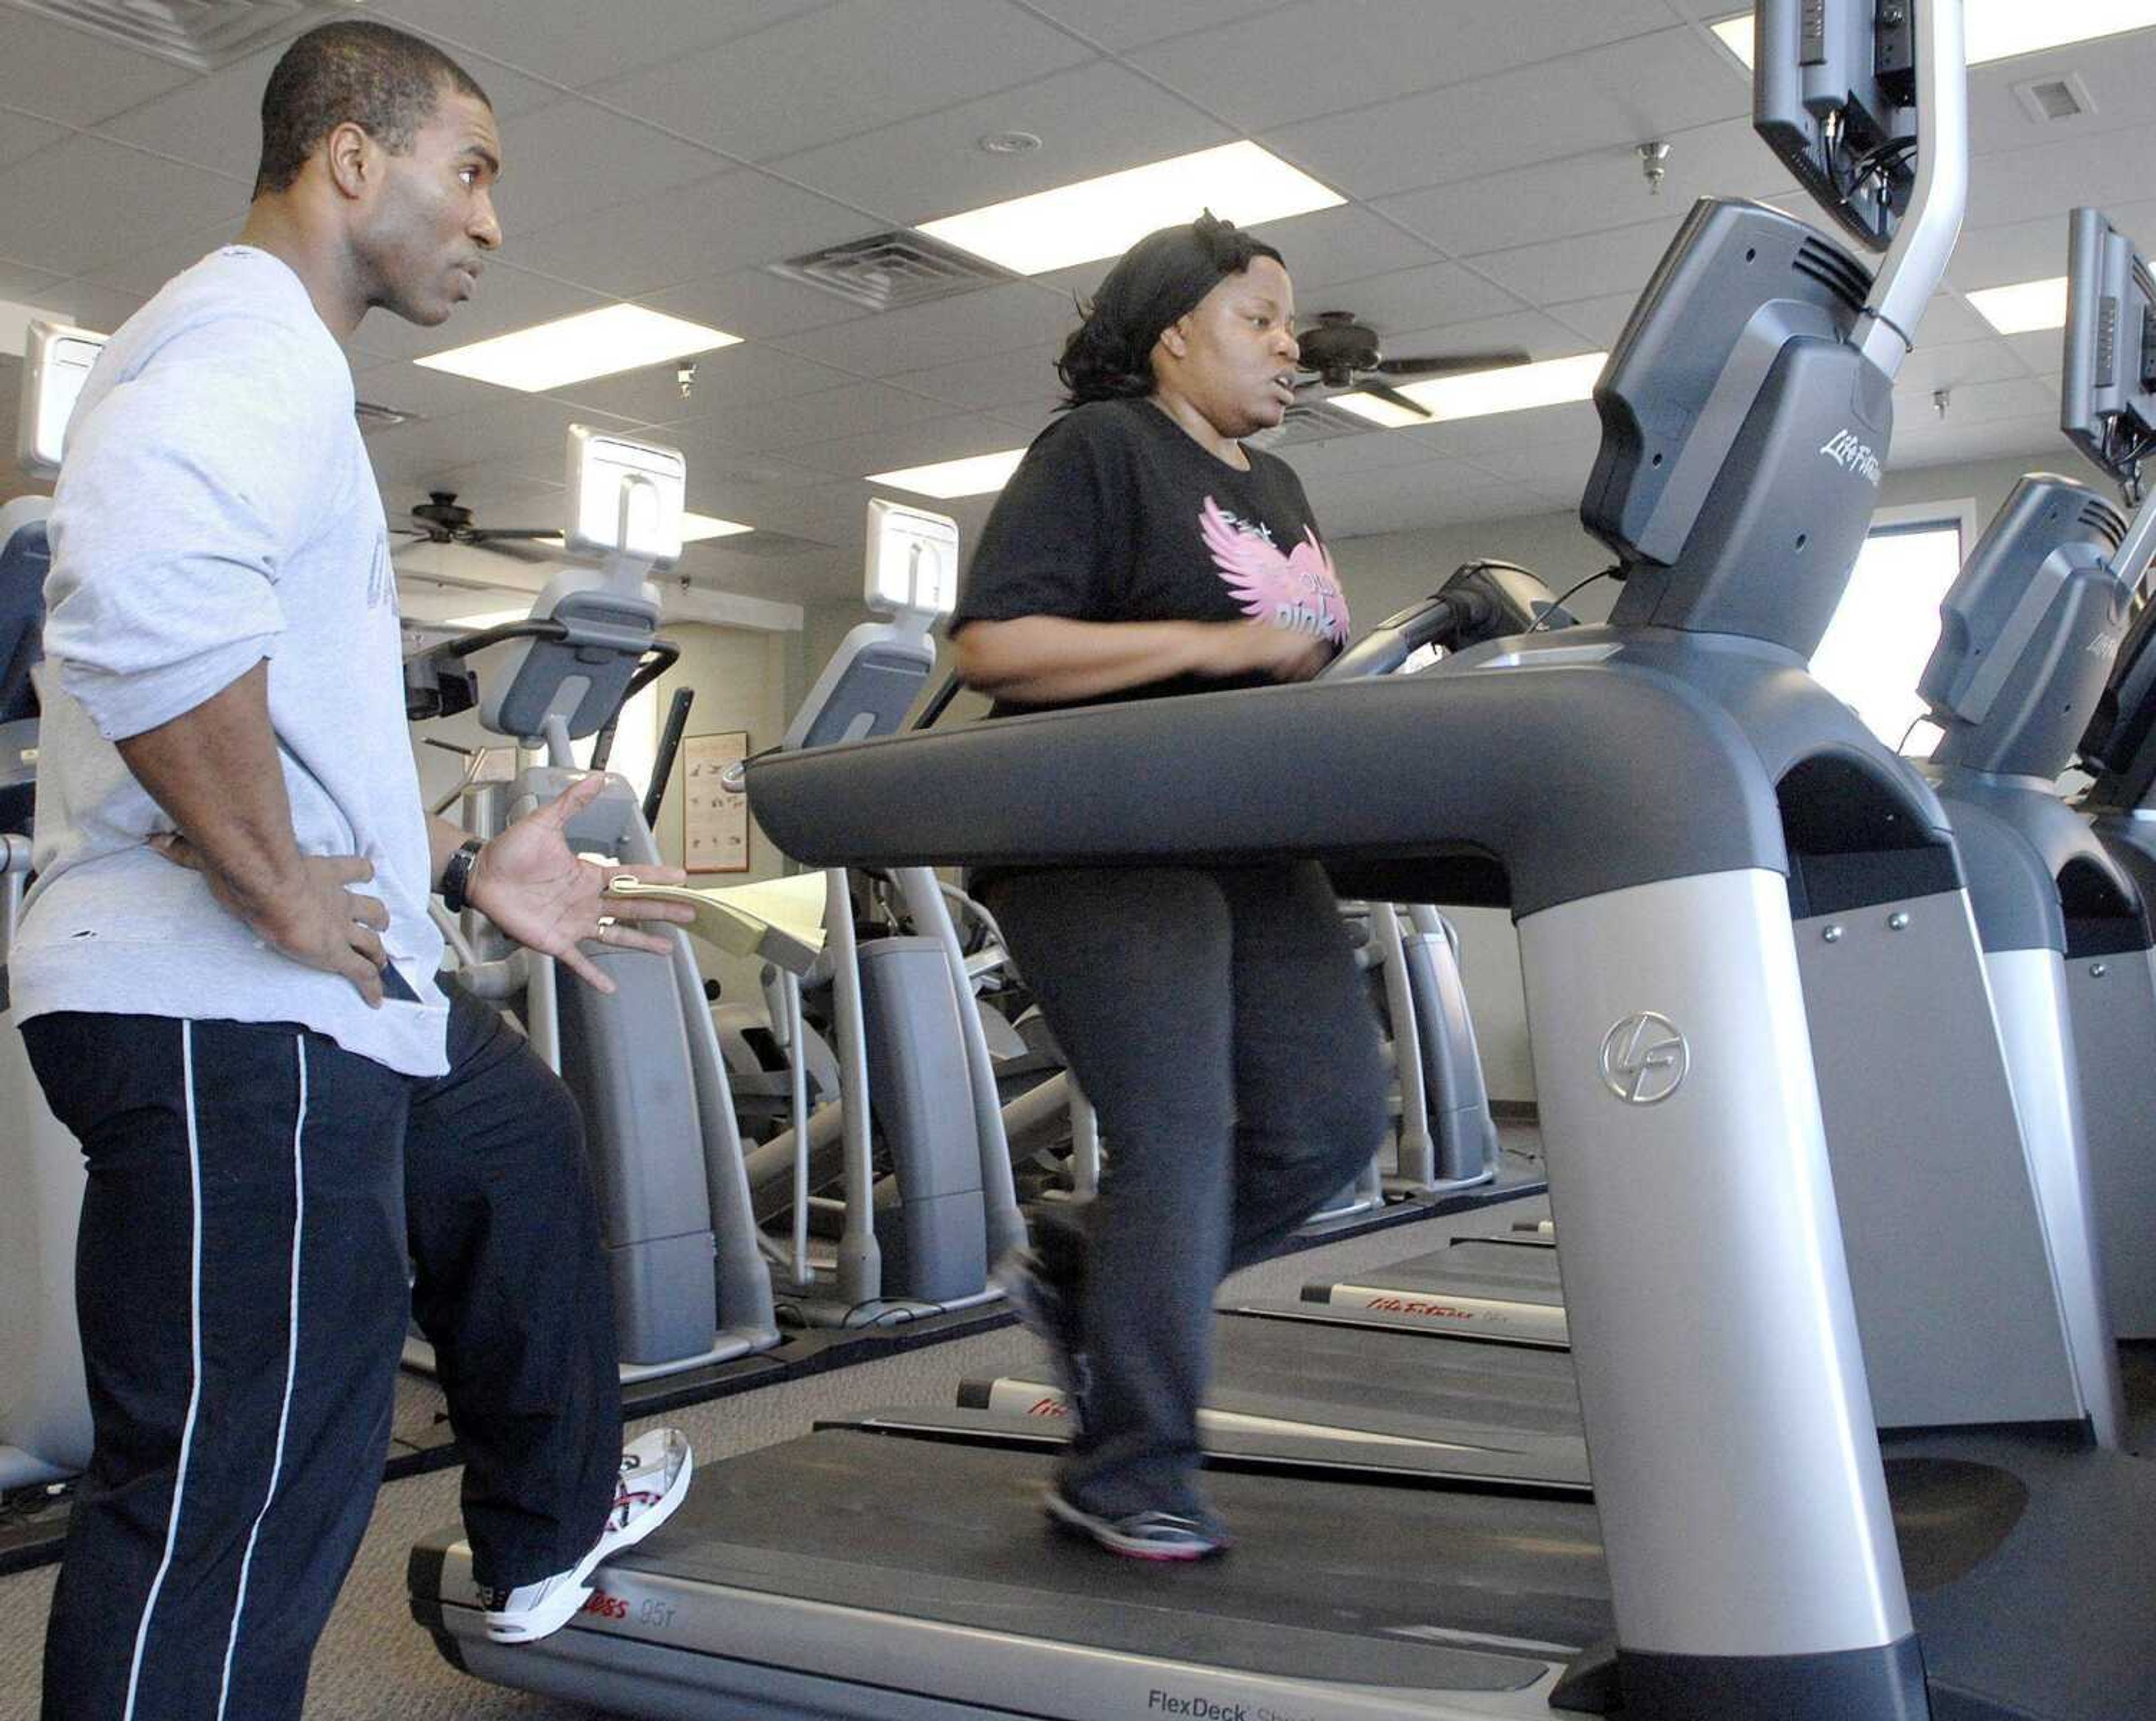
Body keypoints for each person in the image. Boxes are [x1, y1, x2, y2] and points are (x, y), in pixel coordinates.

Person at [13, 22, 695, 1717]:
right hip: (221, 1003)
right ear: (348, 158)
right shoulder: (249, 336)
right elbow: (144, 596)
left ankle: (548, 1530)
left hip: (306, 986)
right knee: (235, 1504)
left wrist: (459, 877)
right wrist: (279, 887)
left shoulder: (286, 365)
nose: (490, 220)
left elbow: (284, 733)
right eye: (471, 170)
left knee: (507, 1135)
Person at [950, 213, 1390, 1560]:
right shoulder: (1098, 450)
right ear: (1172, 333)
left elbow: (1293, 654)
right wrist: (1220, 641)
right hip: (1096, 835)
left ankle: (1094, 1263)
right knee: (1182, 1136)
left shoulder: (1280, 486)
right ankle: (1128, 1466)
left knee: (1329, 1122)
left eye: (1289, 320)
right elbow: (994, 642)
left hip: (1243, 834)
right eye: (1258, 315)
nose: (1287, 342)